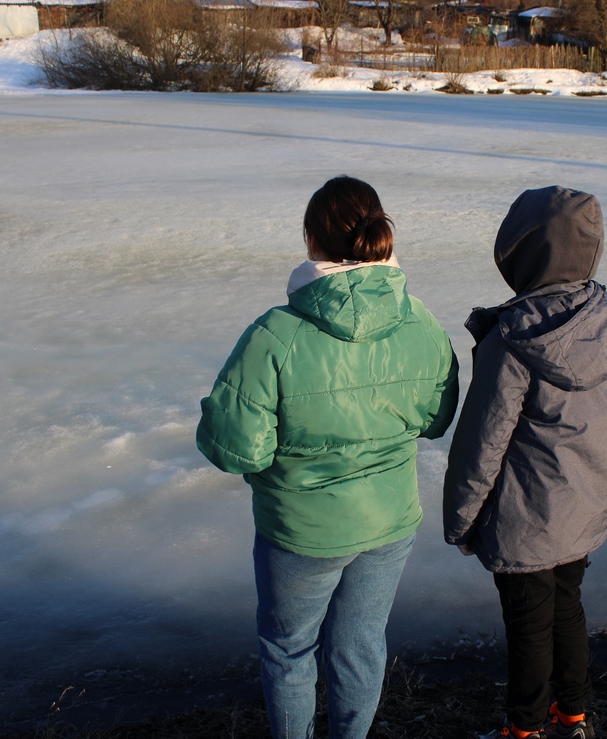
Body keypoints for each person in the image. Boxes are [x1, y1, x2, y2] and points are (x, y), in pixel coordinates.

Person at [196, 175, 459, 739]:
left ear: (312, 241)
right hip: (389, 521)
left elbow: (238, 447)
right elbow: (435, 420)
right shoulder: (422, 322)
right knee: (360, 644)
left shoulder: (275, 334)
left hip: (302, 531)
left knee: (290, 649)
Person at [443, 186, 607, 739]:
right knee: (568, 602)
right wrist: (598, 475)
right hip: (585, 502)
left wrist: (462, 518)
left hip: (525, 515)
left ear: (521, 249)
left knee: (529, 623)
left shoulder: (512, 336)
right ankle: (572, 716)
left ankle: (525, 729)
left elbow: (483, 441)